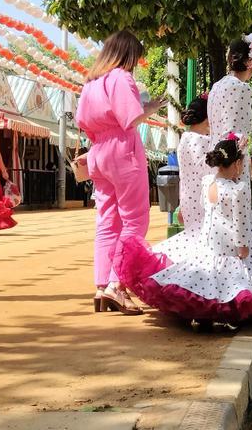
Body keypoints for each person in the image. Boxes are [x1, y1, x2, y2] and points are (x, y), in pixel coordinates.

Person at [115, 137, 252, 324]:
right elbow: (241, 224)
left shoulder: (208, 182)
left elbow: (206, 212)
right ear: (236, 163)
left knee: (201, 286)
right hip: (229, 252)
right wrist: (243, 247)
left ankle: (203, 316)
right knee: (235, 290)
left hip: (209, 249)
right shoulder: (238, 190)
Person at [76, 30, 167, 315]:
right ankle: (118, 284)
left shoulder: (91, 83)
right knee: (134, 220)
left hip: (99, 150)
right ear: (127, 54)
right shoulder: (120, 78)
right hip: (122, 149)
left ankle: (102, 285)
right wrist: (150, 108)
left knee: (106, 220)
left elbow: (83, 123)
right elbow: (130, 117)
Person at [208, 33, 252, 185]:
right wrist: (236, 169)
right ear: (249, 62)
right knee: (235, 208)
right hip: (233, 169)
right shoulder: (242, 88)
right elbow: (234, 134)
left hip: (216, 164)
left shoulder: (216, 87)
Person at [174, 95, 213, 235]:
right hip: (202, 200)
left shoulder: (185, 138)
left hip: (187, 199)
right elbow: (208, 171)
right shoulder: (203, 141)